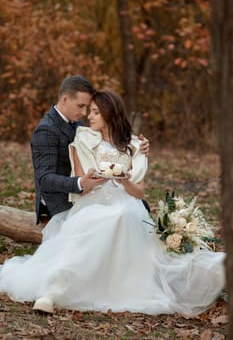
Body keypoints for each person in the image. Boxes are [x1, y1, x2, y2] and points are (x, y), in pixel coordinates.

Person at [0, 90, 225, 316]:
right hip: (91, 199)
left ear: (110, 114)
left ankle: (123, 284)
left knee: (123, 213)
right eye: (89, 111)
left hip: (125, 200)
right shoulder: (83, 138)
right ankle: (53, 290)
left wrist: (125, 180)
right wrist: (91, 179)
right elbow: (83, 184)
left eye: (96, 112)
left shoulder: (135, 145)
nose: (89, 116)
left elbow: (139, 193)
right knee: (94, 220)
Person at [31, 75, 150, 224]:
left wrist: (140, 145)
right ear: (65, 100)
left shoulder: (77, 122)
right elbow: (44, 179)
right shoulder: (45, 130)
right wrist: (81, 183)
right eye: (81, 106)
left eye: (88, 108)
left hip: (98, 192)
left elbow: (108, 138)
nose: (85, 113)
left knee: (136, 210)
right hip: (59, 198)